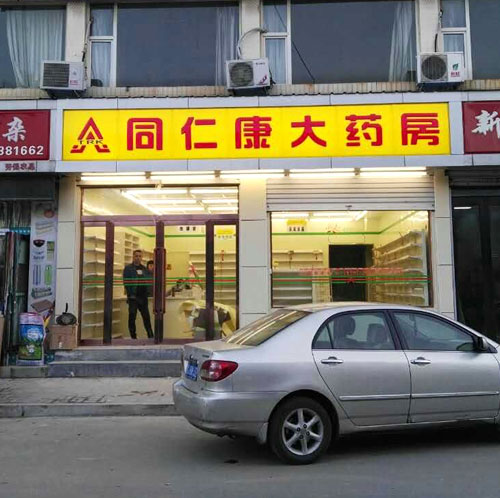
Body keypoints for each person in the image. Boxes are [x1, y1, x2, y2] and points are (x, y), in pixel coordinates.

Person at [123, 249, 153, 339]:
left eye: (140, 256)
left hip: (143, 297)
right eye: (136, 256)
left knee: (146, 317)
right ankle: (133, 337)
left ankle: (151, 336)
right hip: (133, 297)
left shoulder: (144, 269)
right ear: (133, 257)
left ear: (142, 257)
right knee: (132, 317)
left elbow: (148, 281)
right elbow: (126, 283)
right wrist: (130, 294)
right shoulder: (128, 268)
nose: (138, 258)